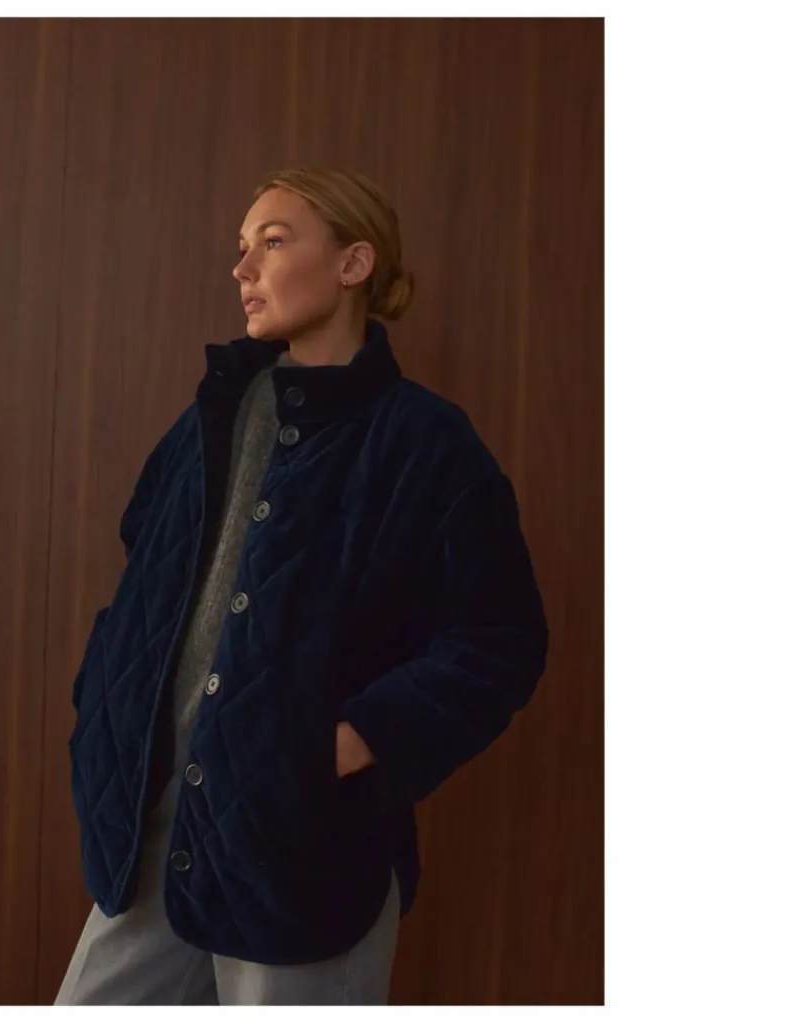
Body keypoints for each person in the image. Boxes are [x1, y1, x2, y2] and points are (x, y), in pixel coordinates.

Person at [55, 166, 548, 1005]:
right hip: (152, 829)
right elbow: (144, 578)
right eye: (242, 248)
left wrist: (356, 740)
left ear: (354, 264)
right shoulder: (209, 420)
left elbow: (500, 639)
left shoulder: (424, 443)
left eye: (274, 242)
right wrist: (106, 705)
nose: (243, 268)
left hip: (301, 847)